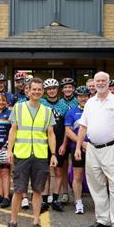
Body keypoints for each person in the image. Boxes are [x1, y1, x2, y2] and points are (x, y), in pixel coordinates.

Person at [75, 72, 114, 227]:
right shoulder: (90, 103)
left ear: (108, 82)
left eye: (103, 81)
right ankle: (102, 219)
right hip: (91, 149)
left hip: (112, 148)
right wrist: (78, 147)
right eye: (97, 81)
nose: (100, 83)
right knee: (96, 185)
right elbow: (83, 127)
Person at [3, 78, 57, 227]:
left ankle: (36, 223)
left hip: (40, 156)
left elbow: (51, 133)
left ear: (43, 91)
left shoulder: (47, 111)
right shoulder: (18, 108)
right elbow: (13, 130)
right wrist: (9, 150)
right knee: (19, 190)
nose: (37, 92)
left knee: (38, 190)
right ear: (28, 90)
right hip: (22, 154)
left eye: (40, 89)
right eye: (34, 89)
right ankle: (12, 222)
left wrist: (53, 154)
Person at [40, 78, 70, 212]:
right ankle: (45, 199)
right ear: (45, 91)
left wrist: (64, 144)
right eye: (49, 89)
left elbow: (66, 128)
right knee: (45, 172)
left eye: (53, 88)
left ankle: (56, 198)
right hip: (43, 142)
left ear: (57, 90)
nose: (51, 91)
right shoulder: (41, 103)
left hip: (58, 143)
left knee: (58, 171)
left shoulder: (63, 105)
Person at [65, 85, 90, 214]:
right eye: (80, 96)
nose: (83, 98)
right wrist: (82, 144)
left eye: (85, 96)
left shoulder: (94, 110)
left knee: (97, 176)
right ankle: (78, 202)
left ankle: (100, 201)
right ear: (77, 97)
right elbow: (68, 131)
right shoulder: (71, 111)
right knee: (78, 176)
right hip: (77, 148)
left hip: (94, 148)